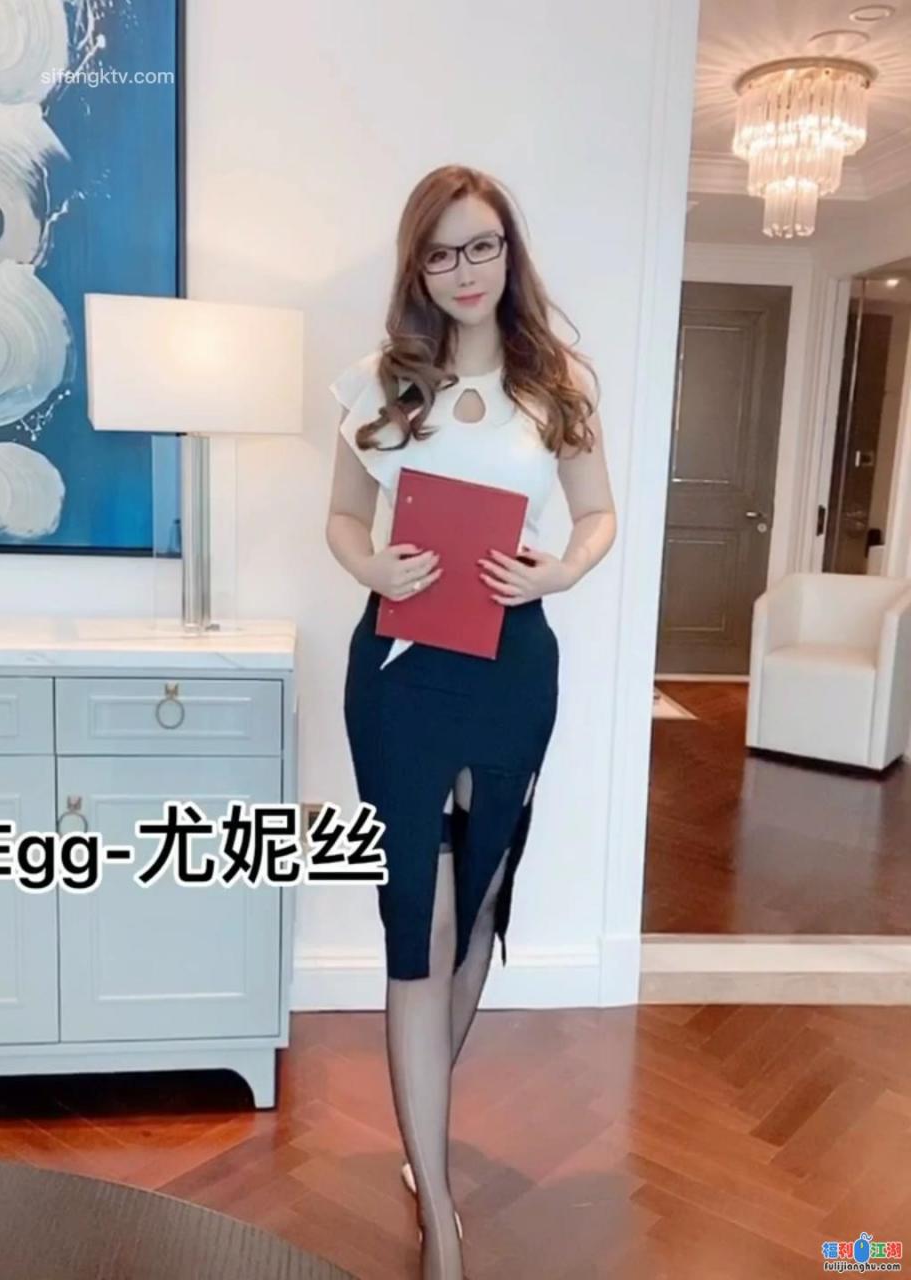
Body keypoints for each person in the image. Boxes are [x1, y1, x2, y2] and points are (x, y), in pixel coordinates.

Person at [324, 164, 616, 1280]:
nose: (463, 270)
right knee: (418, 917)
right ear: (418, 266)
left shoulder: (556, 384)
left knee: (480, 897)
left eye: (481, 245)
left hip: (512, 669)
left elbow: (597, 515)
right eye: (441, 252)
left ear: (509, 252)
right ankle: (440, 1211)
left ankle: (423, 1137)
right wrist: (373, 563)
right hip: (399, 674)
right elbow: (342, 519)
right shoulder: (377, 383)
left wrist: (559, 572)